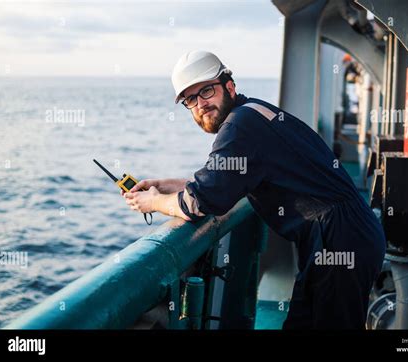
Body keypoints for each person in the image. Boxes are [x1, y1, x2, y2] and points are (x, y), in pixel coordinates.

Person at [123, 50, 386, 329]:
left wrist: (152, 202)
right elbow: (225, 180)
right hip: (344, 233)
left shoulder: (239, 126)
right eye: (190, 99)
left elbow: (198, 203)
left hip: (340, 238)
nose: (201, 103)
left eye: (206, 91)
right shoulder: (252, 114)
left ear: (229, 86)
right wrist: (166, 185)